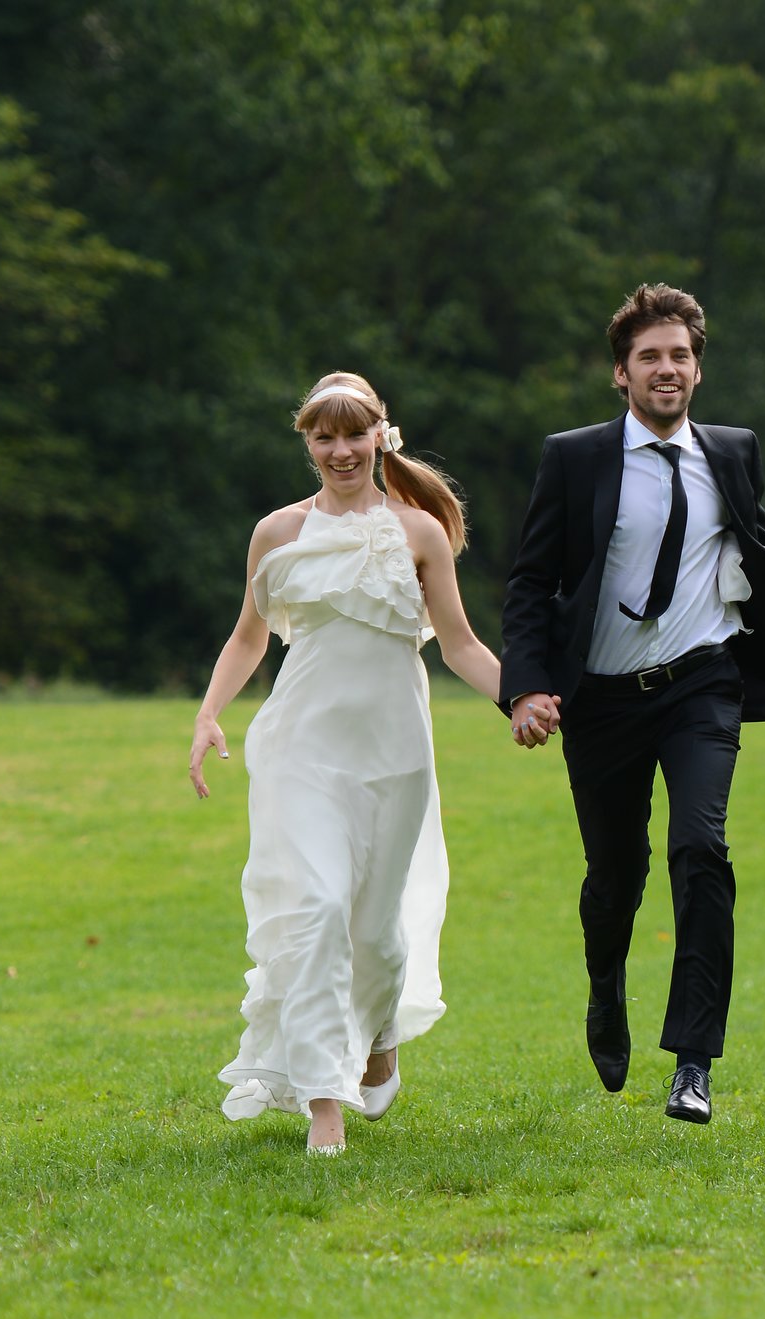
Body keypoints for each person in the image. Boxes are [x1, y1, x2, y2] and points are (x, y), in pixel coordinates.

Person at [500, 282, 765, 1124]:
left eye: (680, 356)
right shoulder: (575, 458)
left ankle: (693, 1061)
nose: (667, 369)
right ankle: (605, 985)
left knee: (702, 851)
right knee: (615, 876)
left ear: (699, 368)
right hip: (604, 702)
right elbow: (530, 583)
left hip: (702, 683)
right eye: (650, 357)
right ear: (621, 373)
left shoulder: (731, 451)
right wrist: (525, 688)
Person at [190, 372, 554, 1155]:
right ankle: (325, 1102)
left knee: (378, 931)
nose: (340, 450)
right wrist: (208, 714)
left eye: (354, 434)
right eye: (324, 436)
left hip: (394, 749)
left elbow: (458, 643)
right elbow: (250, 637)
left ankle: (381, 1029)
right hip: (300, 747)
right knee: (316, 909)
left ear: (379, 436)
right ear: (308, 444)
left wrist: (520, 699)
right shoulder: (275, 533)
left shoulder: (418, 531)